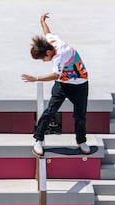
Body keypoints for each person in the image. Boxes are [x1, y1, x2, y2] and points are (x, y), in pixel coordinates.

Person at [22, 13, 90, 156]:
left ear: (48, 52)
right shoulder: (51, 41)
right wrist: (42, 21)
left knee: (80, 114)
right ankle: (38, 139)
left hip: (79, 84)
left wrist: (36, 78)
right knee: (50, 111)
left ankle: (81, 140)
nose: (44, 61)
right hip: (63, 84)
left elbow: (54, 75)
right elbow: (47, 32)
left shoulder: (60, 56)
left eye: (43, 59)